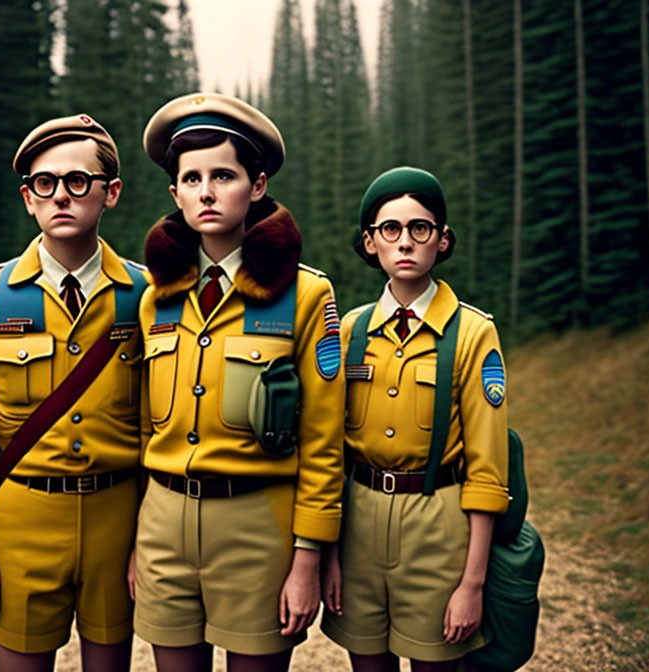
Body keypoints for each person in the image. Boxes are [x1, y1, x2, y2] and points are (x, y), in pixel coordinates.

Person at [133, 92, 345, 672]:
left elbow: (324, 441)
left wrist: (307, 558)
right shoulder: (154, 300)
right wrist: (135, 543)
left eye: (223, 175)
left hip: (260, 531)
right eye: (191, 177)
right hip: (162, 531)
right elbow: (134, 431)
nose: (206, 191)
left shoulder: (306, 296)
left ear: (256, 186)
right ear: (174, 192)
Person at [0, 114, 147, 672]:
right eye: (45, 183)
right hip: (21, 522)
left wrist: (151, 541)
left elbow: (162, 426)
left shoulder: (146, 294)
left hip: (118, 521)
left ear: (111, 193)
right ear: (28, 198)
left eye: (79, 181)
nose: (61, 195)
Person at [320, 167, 510, 672]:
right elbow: (329, 454)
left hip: (438, 529)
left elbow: (488, 470)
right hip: (358, 527)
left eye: (420, 228)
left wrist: (472, 584)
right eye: (390, 229)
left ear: (442, 239)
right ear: (370, 242)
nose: (405, 242)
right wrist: (329, 555)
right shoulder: (349, 331)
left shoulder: (471, 333)